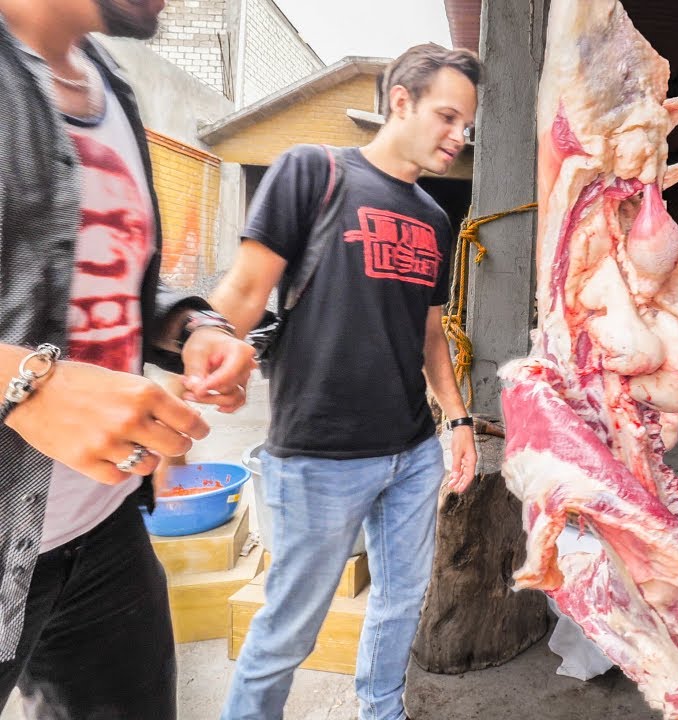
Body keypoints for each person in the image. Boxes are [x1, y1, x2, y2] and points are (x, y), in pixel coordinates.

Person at [0, 0, 258, 717]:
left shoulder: (111, 85)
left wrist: (194, 326)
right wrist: (27, 387)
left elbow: (116, 283)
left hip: (104, 529)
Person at [209, 43, 482, 720]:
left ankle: (380, 710)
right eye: (447, 117)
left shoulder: (436, 218)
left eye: (467, 126)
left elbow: (429, 334)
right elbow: (244, 291)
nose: (459, 136)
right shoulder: (314, 171)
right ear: (401, 101)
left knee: (400, 603)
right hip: (320, 453)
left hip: (412, 454)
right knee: (287, 630)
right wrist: (206, 349)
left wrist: (457, 420)